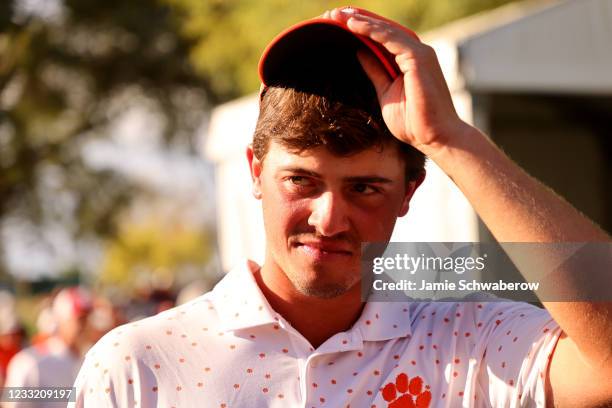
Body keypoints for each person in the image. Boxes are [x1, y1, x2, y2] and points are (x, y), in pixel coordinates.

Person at [70, 7, 612, 407]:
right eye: (301, 180)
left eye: (365, 188)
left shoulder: (470, 342)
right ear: (255, 173)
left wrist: (451, 140)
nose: (329, 219)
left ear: (409, 193)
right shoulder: (138, 364)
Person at [5, 287, 92, 407]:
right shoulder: (29, 361)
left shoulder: (92, 359)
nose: (86, 325)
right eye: (80, 319)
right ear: (61, 320)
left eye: (89, 318)